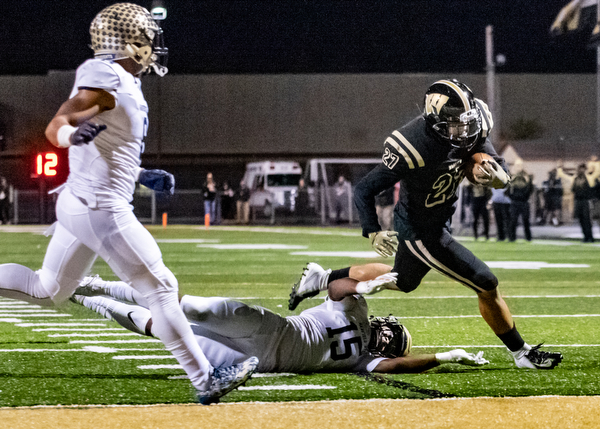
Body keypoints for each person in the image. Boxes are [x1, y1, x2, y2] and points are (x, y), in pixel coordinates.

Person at [0, 3, 256, 404]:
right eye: (147, 40)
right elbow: (58, 124)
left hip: (81, 203)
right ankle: (206, 378)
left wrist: (139, 175)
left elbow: (109, 146)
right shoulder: (108, 76)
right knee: (161, 287)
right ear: (129, 43)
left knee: (46, 289)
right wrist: (70, 138)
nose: (153, 48)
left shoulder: (124, 83)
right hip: (100, 208)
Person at [292, 79, 562, 370]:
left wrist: (498, 176)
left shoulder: (475, 123)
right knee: (486, 283)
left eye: (467, 121)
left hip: (439, 216)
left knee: (403, 280)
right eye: (455, 124)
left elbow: (486, 158)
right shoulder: (413, 144)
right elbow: (364, 189)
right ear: (435, 122)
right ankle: (521, 353)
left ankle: (323, 278)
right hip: (421, 228)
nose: (464, 130)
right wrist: (372, 229)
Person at [72, 269, 489, 375]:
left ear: (384, 343)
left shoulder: (367, 357)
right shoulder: (363, 354)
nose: (384, 327)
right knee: (182, 307)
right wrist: (444, 356)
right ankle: (95, 285)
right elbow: (341, 289)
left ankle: (84, 297)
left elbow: (341, 288)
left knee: (160, 326)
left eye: (390, 333)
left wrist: (444, 355)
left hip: (264, 346)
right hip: (268, 339)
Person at [557, 159, 600, 243]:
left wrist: (596, 163)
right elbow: (563, 175)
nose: (581, 170)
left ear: (585, 169)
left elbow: (597, 172)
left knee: (587, 220)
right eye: (580, 168)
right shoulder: (575, 178)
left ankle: (590, 237)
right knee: (581, 220)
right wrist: (559, 167)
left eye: (583, 168)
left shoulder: (589, 178)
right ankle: (585, 236)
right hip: (578, 202)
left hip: (586, 201)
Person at [506, 158, 534, 242]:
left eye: (520, 165)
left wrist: (529, 182)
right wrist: (512, 197)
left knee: (526, 221)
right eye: (517, 165)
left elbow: (530, 189)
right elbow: (507, 190)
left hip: (524, 202)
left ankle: (528, 237)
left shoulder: (527, 177)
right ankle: (512, 238)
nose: (519, 167)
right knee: (513, 221)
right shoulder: (512, 177)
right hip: (515, 202)